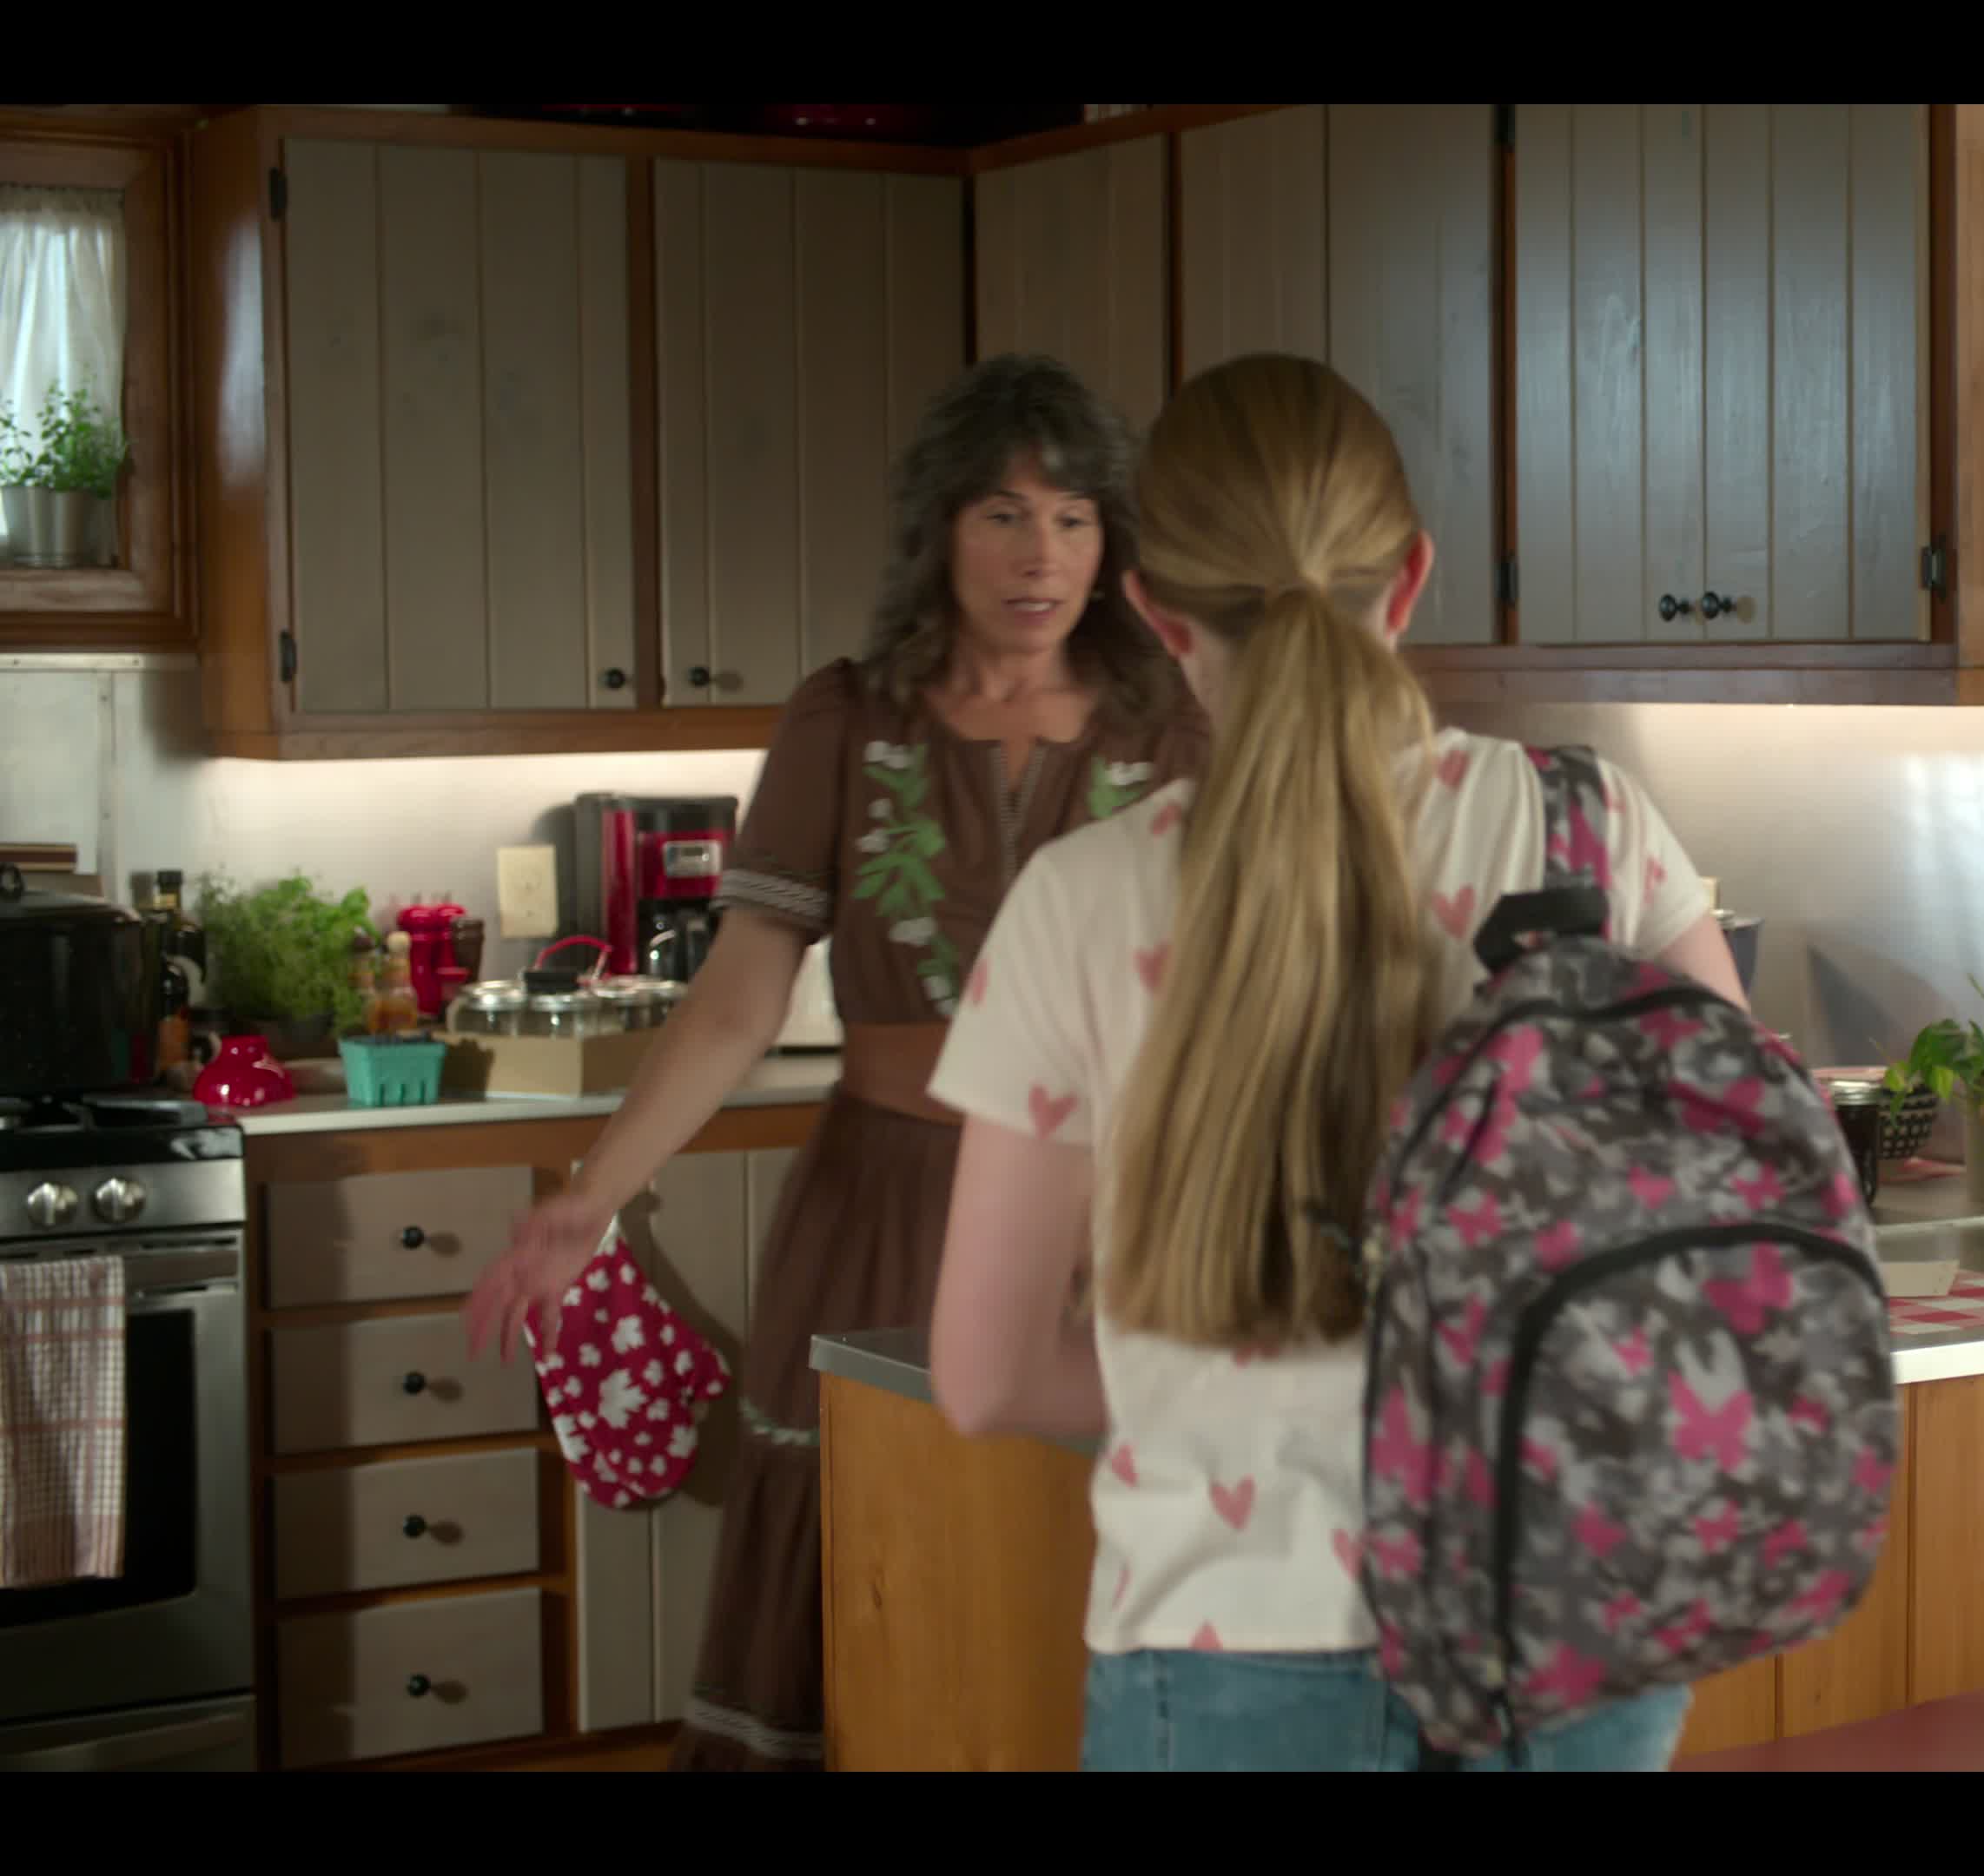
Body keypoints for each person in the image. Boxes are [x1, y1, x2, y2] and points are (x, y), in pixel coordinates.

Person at [923, 353, 1748, 1773]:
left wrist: (1221, 1387)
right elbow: (1741, 1213)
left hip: (1230, 1643)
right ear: (1411, 577)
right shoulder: (1592, 830)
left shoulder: (1081, 900)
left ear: (1155, 611)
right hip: (1572, 1615)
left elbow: (985, 1377)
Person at [460, 354, 1208, 1772]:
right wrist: (591, 1195)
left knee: (1064, 1540)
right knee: (854, 1538)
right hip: (881, 1203)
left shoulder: (1172, 725)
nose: (1040, 556)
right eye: (1003, 514)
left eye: (1072, 518)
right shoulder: (847, 719)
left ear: (1111, 540)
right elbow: (737, 1003)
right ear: (941, 530)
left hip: (1114, 1216)